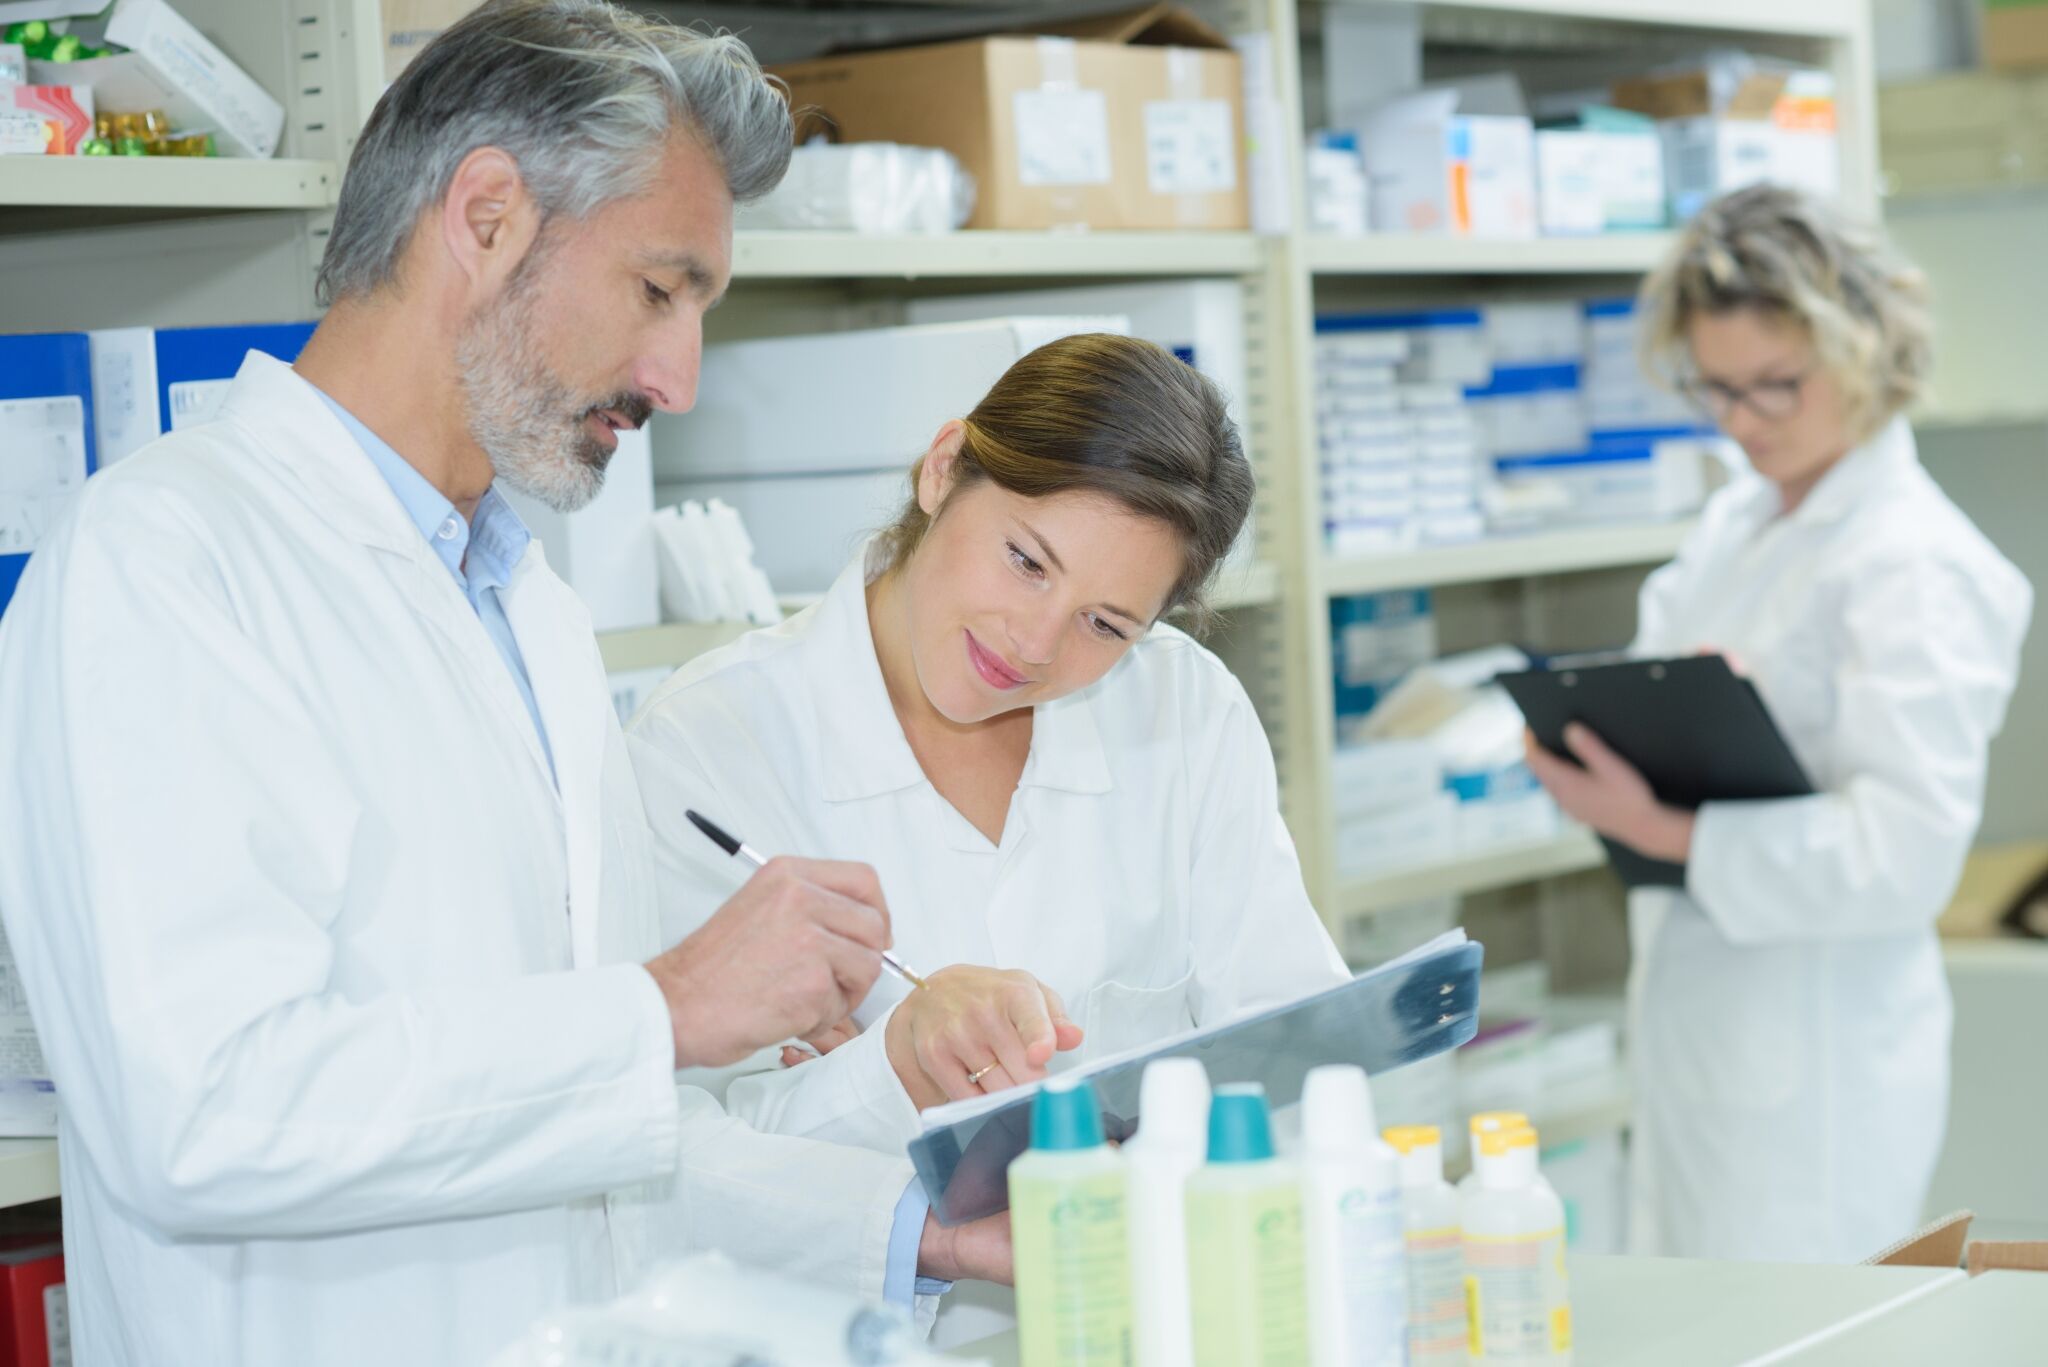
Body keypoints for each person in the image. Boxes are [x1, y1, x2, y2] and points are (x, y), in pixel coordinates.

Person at [0, 5, 1000, 1364]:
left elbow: (594, 1122)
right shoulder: (162, 561)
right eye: (662, 289)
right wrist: (667, 1005)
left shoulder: (526, 602)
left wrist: (859, 1144)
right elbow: (205, 1111)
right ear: (483, 217)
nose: (680, 378)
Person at [626, 332, 1353, 1337]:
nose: (1035, 641)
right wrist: (891, 1062)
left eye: (1107, 623)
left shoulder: (1182, 709)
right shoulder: (709, 745)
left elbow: (1282, 1058)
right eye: (1025, 560)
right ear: (941, 470)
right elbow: (651, 1158)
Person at [1523, 184, 2032, 1263]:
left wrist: (1670, 831)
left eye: (1774, 387)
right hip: (1697, 1026)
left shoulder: (1914, 563)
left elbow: (1903, 856)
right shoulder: (1735, 521)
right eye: (1716, 390)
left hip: (1818, 1065)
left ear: (1865, 350)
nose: (1741, 422)